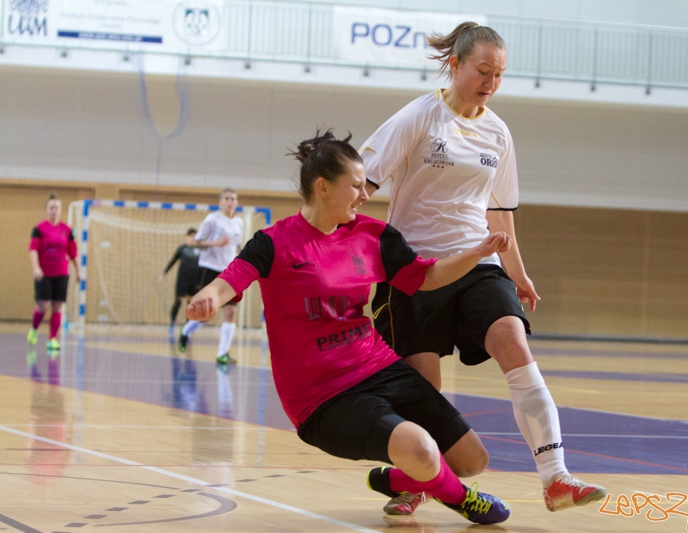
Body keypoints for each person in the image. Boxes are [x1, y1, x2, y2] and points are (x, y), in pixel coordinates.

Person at [185, 130, 513, 525]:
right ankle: (464, 501)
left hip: (378, 367)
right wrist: (208, 298)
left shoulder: (373, 236)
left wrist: (477, 252)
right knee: (424, 452)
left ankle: (397, 479)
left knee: (471, 458)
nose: (364, 194)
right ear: (323, 188)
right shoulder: (274, 243)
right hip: (323, 397)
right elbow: (231, 280)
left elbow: (424, 277)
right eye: (356, 185)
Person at [359, 22, 607, 513]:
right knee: (424, 386)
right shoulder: (418, 117)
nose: (492, 82)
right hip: (418, 270)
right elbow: (361, 181)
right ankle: (414, 481)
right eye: (484, 71)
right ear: (455, 65)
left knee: (514, 342)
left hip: (477, 263)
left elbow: (500, 212)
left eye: (500, 74)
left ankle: (556, 477)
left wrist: (517, 271)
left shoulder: (498, 131)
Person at [177, 189, 243, 365]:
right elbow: (196, 242)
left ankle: (222, 354)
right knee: (206, 314)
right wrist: (216, 243)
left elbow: (237, 246)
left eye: (233, 199)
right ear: (221, 202)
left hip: (229, 272)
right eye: (227, 198)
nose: (230, 201)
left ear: (236, 203)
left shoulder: (239, 223)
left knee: (230, 311)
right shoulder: (212, 219)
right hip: (210, 269)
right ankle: (185, 331)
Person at [28, 193, 80, 352]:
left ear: (60, 210)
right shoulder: (39, 228)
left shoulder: (67, 230)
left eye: (57, 208)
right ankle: (33, 330)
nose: (54, 211)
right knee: (43, 305)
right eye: (51, 208)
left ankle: (52, 339)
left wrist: (78, 271)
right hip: (44, 273)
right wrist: (36, 267)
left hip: (61, 273)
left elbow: (73, 252)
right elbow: (33, 249)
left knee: (57, 306)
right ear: (46, 209)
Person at [160, 228, 202, 332]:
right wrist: (165, 272)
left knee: (191, 304)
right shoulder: (182, 249)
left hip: (195, 280)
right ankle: (172, 323)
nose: (192, 238)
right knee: (178, 301)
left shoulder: (200, 250)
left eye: (194, 236)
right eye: (190, 236)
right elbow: (173, 260)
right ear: (186, 237)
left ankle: (187, 327)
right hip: (182, 280)